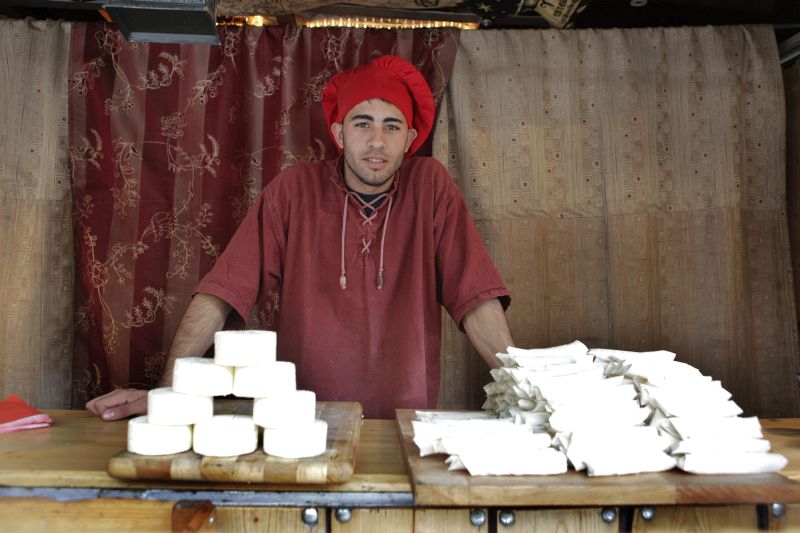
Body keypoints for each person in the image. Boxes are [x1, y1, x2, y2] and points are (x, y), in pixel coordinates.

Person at [86, 55, 514, 421]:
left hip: (403, 422)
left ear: (410, 139)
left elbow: (475, 297)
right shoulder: (295, 191)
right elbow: (223, 292)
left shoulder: (431, 188)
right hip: (300, 422)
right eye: (362, 123)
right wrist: (166, 391)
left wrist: (528, 392)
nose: (377, 141)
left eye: (392, 126)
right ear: (339, 133)